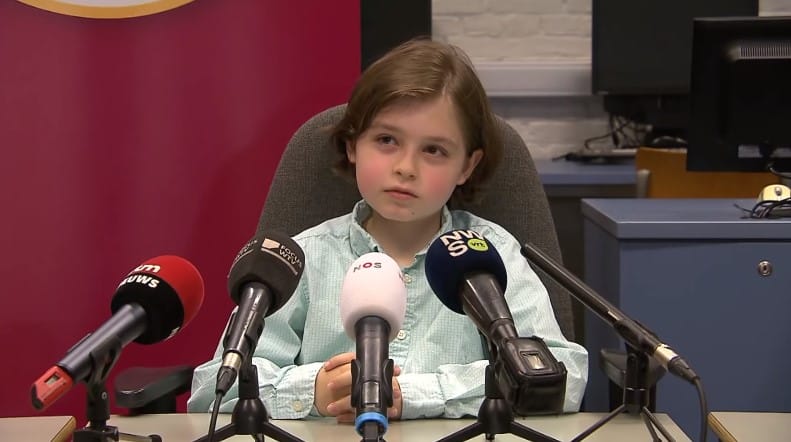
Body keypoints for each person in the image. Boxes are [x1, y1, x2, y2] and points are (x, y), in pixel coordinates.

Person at [188, 38, 588, 421]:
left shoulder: (493, 253)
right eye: (386, 140)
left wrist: (414, 394)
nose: (405, 167)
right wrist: (314, 391)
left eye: (433, 150)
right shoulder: (303, 258)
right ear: (352, 145)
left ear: (467, 166)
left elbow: (563, 375)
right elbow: (212, 388)